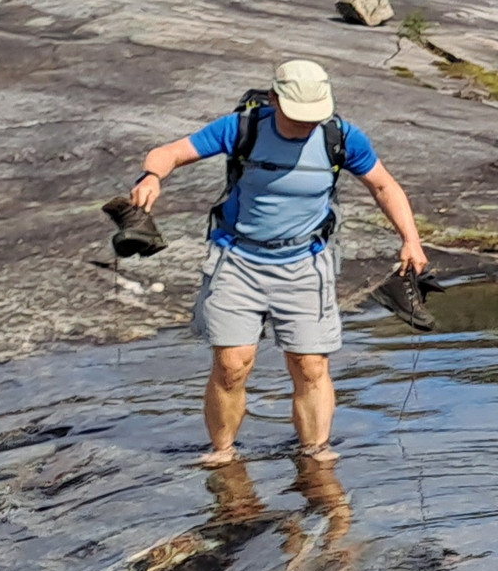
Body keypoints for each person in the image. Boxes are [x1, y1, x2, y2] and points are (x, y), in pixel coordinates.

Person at [128, 59, 429, 467]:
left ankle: (316, 455)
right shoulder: (242, 128)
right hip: (237, 259)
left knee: (310, 366)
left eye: (313, 116)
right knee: (232, 365)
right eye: (297, 115)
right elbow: (168, 153)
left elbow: (383, 185)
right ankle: (222, 455)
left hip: (306, 262)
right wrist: (151, 177)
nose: (306, 124)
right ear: (274, 99)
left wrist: (410, 239)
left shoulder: (341, 137)